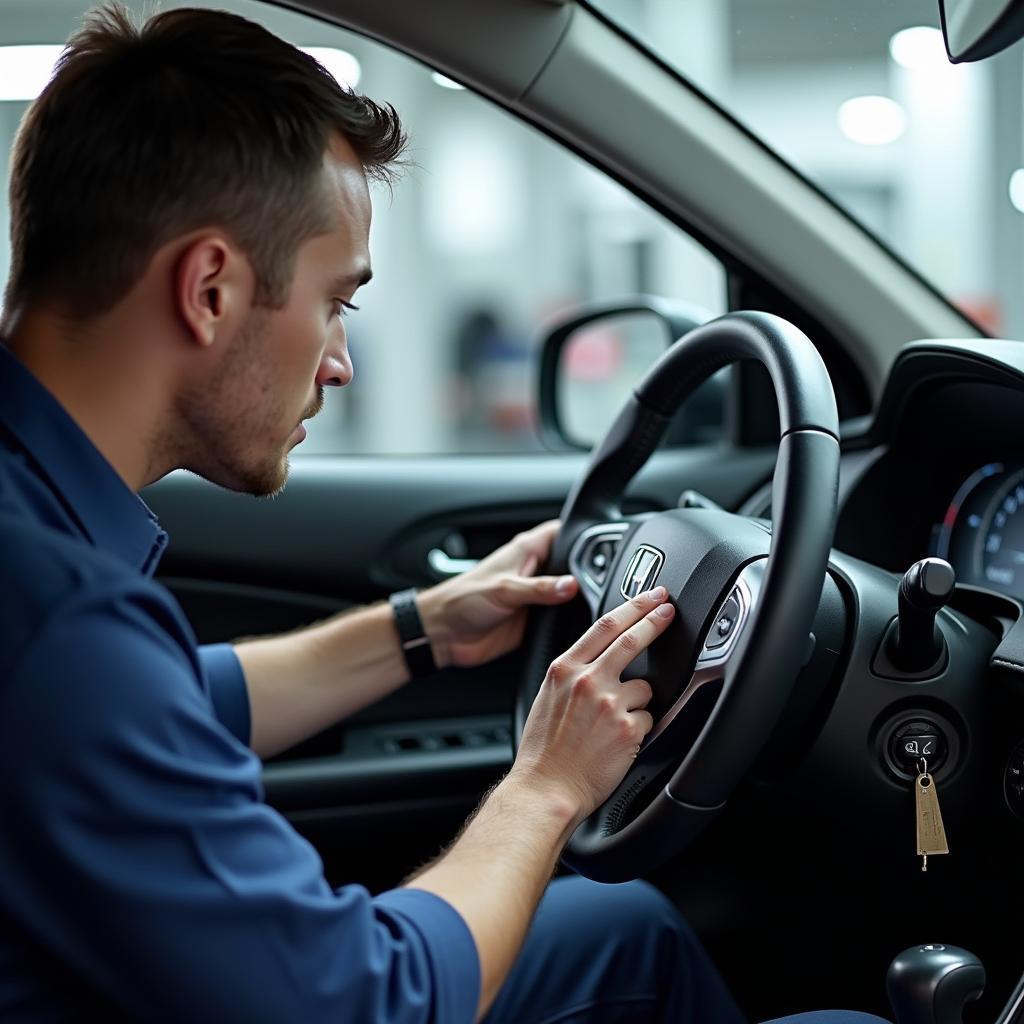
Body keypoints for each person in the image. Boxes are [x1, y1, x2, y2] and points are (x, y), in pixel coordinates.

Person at [0, 5, 894, 1022]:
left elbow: (167, 701)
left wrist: (422, 626)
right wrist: (546, 785)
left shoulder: (40, 547)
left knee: (625, 927)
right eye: (335, 301)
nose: (338, 360)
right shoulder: (62, 623)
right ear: (209, 289)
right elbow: (370, 1002)